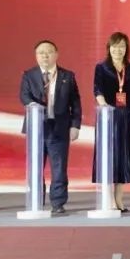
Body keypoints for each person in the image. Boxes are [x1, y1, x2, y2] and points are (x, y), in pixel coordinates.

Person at [20, 40, 82, 215]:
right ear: (36, 56)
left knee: (59, 167)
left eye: (48, 52)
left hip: (59, 128)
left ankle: (58, 203)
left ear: (56, 54)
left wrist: (75, 125)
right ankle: (36, 201)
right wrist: (33, 105)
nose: (45, 55)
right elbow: (24, 95)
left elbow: (75, 103)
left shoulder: (67, 76)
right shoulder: (29, 75)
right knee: (35, 167)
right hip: (37, 128)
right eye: (41, 53)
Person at [92, 32, 130, 212]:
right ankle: (109, 198)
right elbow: (97, 90)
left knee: (124, 157)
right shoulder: (101, 67)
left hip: (126, 117)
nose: (118, 50)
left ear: (126, 49)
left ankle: (119, 199)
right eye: (115, 46)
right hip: (108, 116)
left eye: (122, 46)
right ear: (109, 48)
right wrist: (105, 107)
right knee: (109, 156)